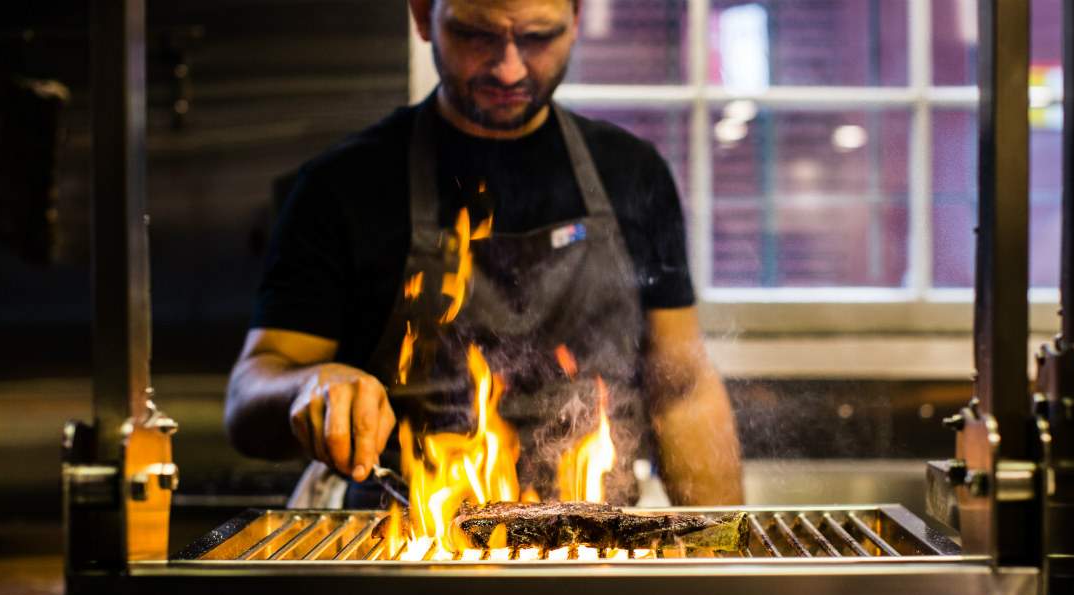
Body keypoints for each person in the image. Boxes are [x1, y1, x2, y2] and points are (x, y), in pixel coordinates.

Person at [225, 0, 742, 508]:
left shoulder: (633, 174)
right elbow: (250, 401)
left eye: (539, 37)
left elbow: (682, 389)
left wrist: (725, 560)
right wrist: (308, 385)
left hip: (595, 557)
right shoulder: (343, 186)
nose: (509, 68)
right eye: (477, 35)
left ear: (577, 18)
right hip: (409, 555)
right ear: (424, 16)